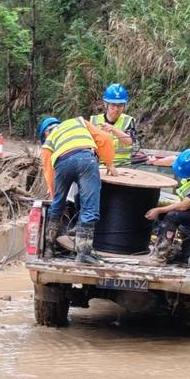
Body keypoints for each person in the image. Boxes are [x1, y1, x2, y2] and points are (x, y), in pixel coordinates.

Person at [38, 116, 118, 264]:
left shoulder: (49, 142)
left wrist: (53, 193)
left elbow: (49, 171)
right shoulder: (79, 121)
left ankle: (49, 249)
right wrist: (109, 164)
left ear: (45, 134)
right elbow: (106, 138)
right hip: (86, 159)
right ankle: (83, 254)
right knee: (89, 208)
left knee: (57, 205)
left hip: (62, 164)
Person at [89, 83, 137, 165]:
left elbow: (130, 142)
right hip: (100, 166)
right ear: (106, 104)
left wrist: (113, 129)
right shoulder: (94, 120)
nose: (116, 109)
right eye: (113, 105)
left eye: (120, 105)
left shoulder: (128, 121)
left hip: (123, 166)